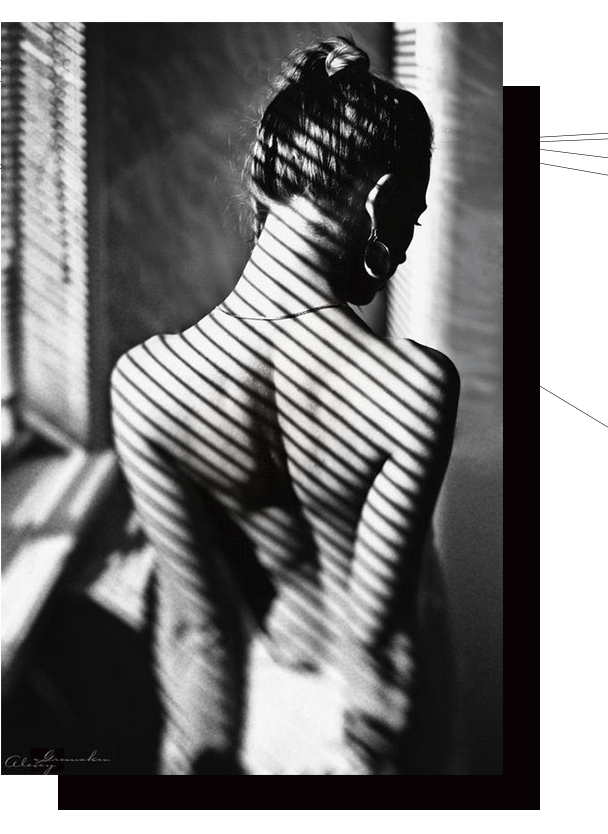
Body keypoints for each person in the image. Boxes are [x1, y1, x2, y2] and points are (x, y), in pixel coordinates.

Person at [111, 36, 459, 775]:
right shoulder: (415, 390)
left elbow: (197, 631)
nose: (402, 249)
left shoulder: (145, 384)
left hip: (261, 694)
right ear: (381, 201)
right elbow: (379, 636)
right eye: (411, 218)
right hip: (368, 717)